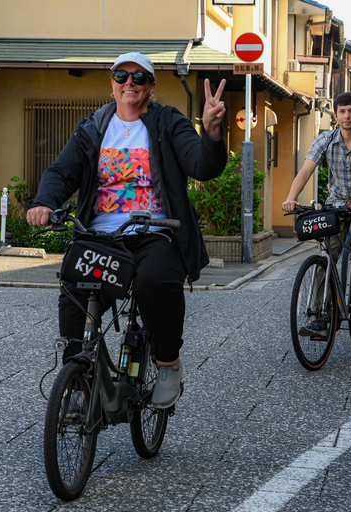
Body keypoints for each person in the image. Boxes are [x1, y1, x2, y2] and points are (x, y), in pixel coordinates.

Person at [27, 52, 228, 409]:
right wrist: (45, 202)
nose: (129, 84)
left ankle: (167, 363)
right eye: (121, 76)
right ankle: (77, 379)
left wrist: (211, 132)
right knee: (74, 290)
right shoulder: (93, 127)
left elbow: (201, 165)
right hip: (101, 235)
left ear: (152, 86)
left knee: (155, 282)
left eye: (139, 78)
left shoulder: (168, 122)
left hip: (155, 232)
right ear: (112, 84)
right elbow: (62, 171)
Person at [282, 92, 351, 307]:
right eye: (342, 111)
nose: (346, 116)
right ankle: (320, 312)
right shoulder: (325, 139)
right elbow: (305, 171)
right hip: (338, 201)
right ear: (336, 115)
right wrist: (291, 198)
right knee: (327, 252)